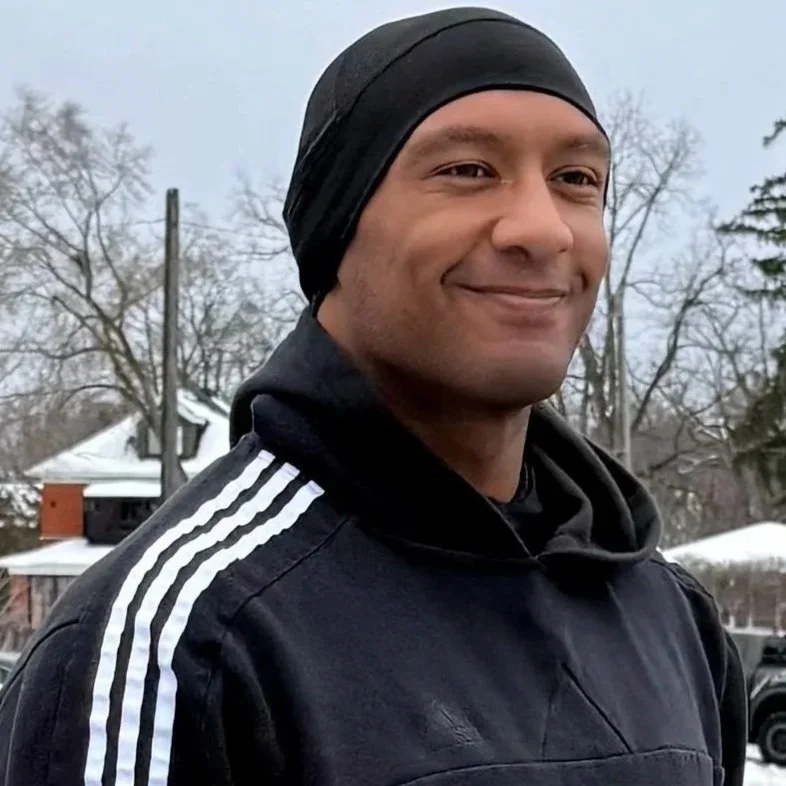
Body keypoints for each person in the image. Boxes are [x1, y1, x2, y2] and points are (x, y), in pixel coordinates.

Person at [0, 7, 746, 786]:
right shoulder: (185, 642)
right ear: (338, 230)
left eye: (576, 180)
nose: (543, 228)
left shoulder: (671, 619)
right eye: (467, 171)